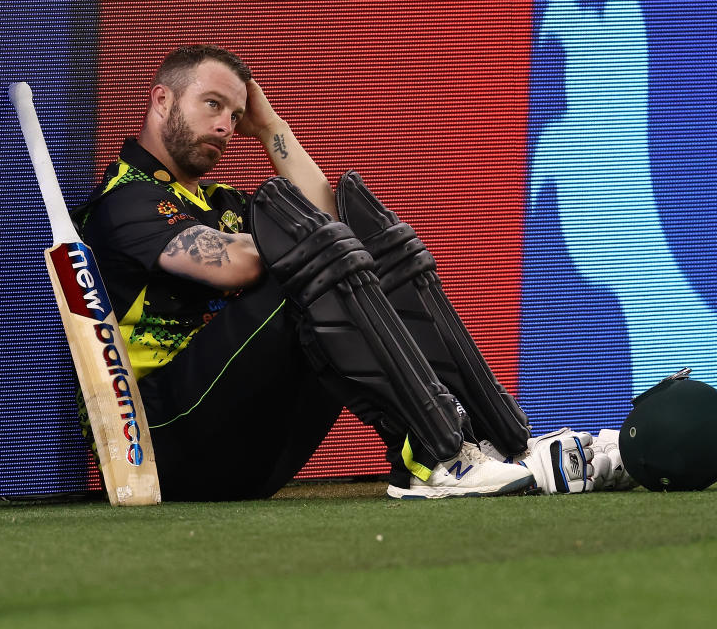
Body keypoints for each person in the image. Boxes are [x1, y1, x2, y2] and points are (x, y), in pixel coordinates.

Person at [75, 44, 602, 501]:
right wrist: (311, 242)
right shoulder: (127, 200)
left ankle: (502, 440)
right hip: (161, 444)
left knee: (372, 248)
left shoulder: (220, 204)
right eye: (211, 105)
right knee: (312, 266)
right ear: (162, 99)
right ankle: (438, 457)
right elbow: (243, 264)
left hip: (246, 449)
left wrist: (271, 128)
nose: (224, 126)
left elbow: (329, 220)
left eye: (235, 116)